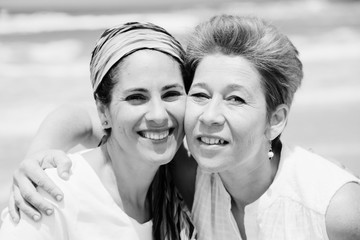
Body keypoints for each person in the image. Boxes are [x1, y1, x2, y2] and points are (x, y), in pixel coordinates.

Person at [5, 15, 360, 240]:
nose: (209, 116)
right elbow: (97, 120)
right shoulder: (191, 177)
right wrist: (38, 154)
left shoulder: (335, 209)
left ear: (276, 119)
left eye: (235, 99)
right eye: (201, 94)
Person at [0, 21, 196, 240]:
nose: (158, 115)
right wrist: (36, 155)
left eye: (171, 94)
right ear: (104, 112)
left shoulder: (180, 186)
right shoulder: (53, 196)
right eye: (136, 98)